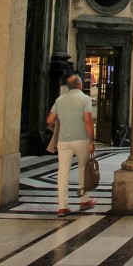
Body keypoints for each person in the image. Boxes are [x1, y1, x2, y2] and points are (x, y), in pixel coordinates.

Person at [46, 74, 96, 217]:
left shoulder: (60, 100)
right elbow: (88, 121)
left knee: (63, 173)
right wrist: (91, 141)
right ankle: (84, 200)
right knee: (83, 169)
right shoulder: (84, 99)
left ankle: (62, 207)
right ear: (80, 85)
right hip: (81, 140)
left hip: (64, 141)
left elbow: (50, 119)